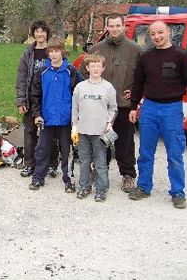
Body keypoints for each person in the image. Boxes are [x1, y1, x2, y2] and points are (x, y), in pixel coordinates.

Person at [128, 21, 187, 209]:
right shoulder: (145, 57)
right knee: (145, 152)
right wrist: (133, 107)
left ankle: (178, 192)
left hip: (172, 109)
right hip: (149, 108)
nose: (157, 37)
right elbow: (137, 84)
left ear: (168, 32)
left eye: (160, 32)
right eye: (153, 34)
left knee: (175, 153)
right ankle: (144, 187)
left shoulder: (181, 56)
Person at [79, 14, 141, 193]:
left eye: (118, 26)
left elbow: (142, 75)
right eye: (111, 26)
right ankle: (99, 170)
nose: (114, 29)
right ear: (107, 27)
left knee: (125, 143)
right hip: (100, 106)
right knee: (99, 142)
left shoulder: (135, 49)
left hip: (123, 105)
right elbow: (83, 71)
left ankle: (128, 174)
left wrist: (135, 92)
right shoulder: (97, 49)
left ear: (124, 27)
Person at [29, 37, 82, 192]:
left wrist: (76, 117)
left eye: (56, 51)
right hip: (47, 119)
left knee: (67, 151)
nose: (53, 54)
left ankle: (68, 179)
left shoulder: (71, 71)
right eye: (51, 51)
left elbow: (79, 94)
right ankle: (38, 177)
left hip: (66, 120)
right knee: (42, 149)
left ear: (62, 51)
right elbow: (35, 95)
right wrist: (37, 114)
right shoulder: (42, 71)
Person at [15, 21, 60, 178]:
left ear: (47, 33)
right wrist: (21, 101)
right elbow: (21, 79)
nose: (40, 34)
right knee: (30, 133)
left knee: (51, 133)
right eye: (37, 31)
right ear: (33, 33)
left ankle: (52, 164)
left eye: (43, 31)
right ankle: (29, 164)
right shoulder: (27, 54)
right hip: (31, 98)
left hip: (50, 99)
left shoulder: (53, 51)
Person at [71, 53, 117, 202]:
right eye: (93, 66)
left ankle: (101, 189)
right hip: (83, 131)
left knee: (100, 162)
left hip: (100, 132)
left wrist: (109, 122)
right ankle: (84, 186)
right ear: (87, 68)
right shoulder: (80, 87)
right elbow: (75, 109)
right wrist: (74, 127)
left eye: (98, 66)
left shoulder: (108, 87)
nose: (95, 68)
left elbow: (113, 108)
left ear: (103, 68)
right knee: (84, 161)